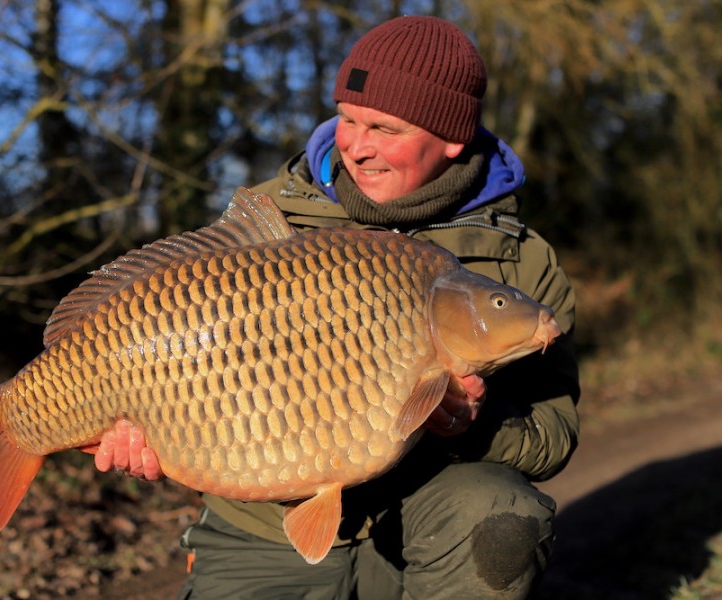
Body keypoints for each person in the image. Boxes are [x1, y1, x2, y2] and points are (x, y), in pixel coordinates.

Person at [90, 15, 579, 600]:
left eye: (385, 128)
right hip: (266, 526)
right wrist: (148, 435)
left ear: (452, 138)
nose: (358, 146)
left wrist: (473, 428)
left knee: (500, 513)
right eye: (348, 119)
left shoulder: (519, 258)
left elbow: (555, 433)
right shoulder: (273, 219)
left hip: (431, 512)